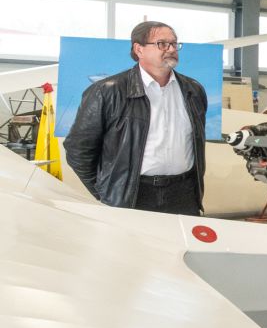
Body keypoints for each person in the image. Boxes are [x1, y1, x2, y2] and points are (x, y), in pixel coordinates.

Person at [65, 21, 207, 215]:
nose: (172, 49)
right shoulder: (106, 92)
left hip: (184, 194)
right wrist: (106, 191)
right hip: (132, 196)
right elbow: (78, 150)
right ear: (139, 49)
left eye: (174, 44)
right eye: (162, 44)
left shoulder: (193, 90)